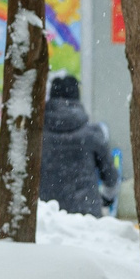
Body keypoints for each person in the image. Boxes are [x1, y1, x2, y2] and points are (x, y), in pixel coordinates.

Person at [38, 73, 117, 217]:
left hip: (45, 216)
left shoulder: (35, 136)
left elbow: (1, 166)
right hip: (85, 217)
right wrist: (106, 199)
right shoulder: (91, 134)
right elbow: (110, 176)